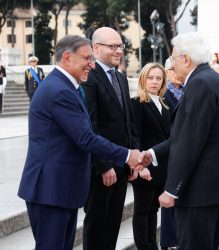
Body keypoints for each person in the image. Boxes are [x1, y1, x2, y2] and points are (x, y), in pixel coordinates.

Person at [17, 35, 144, 250]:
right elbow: (85, 138)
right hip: (51, 189)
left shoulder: (68, 86)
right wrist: (126, 154)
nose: (92, 65)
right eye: (87, 58)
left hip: (62, 189)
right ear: (67, 57)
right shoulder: (58, 90)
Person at [141, 32, 219, 250]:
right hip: (213, 189)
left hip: (198, 192)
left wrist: (172, 189)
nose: (171, 66)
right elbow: (186, 135)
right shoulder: (212, 79)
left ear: (186, 58)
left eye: (173, 59)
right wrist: (153, 153)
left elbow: (191, 141)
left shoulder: (200, 84)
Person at [82, 27, 139, 250]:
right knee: (97, 224)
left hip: (123, 165)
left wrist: (134, 158)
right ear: (96, 48)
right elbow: (91, 126)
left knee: (113, 222)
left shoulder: (120, 77)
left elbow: (129, 122)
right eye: (112, 46)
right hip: (103, 169)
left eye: (120, 46)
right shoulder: (89, 78)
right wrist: (103, 165)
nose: (118, 51)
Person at [131, 62, 170, 250]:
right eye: (150, 77)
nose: (154, 82)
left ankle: (152, 244)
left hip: (162, 167)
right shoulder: (137, 103)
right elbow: (135, 136)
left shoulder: (165, 104)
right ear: (143, 79)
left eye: (158, 78)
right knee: (142, 209)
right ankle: (143, 246)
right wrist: (141, 166)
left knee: (154, 209)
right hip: (145, 165)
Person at [159, 58, 182, 250]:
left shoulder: (183, 90)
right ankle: (169, 241)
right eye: (174, 69)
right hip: (169, 152)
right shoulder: (166, 94)